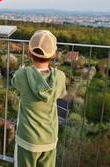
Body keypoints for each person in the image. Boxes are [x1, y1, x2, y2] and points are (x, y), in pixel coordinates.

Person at [11, 30, 67, 167]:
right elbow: (61, 94)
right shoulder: (60, 77)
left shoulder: (21, 75)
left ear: (29, 53)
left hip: (27, 139)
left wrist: (23, 69)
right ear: (54, 55)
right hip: (49, 138)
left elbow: (14, 83)